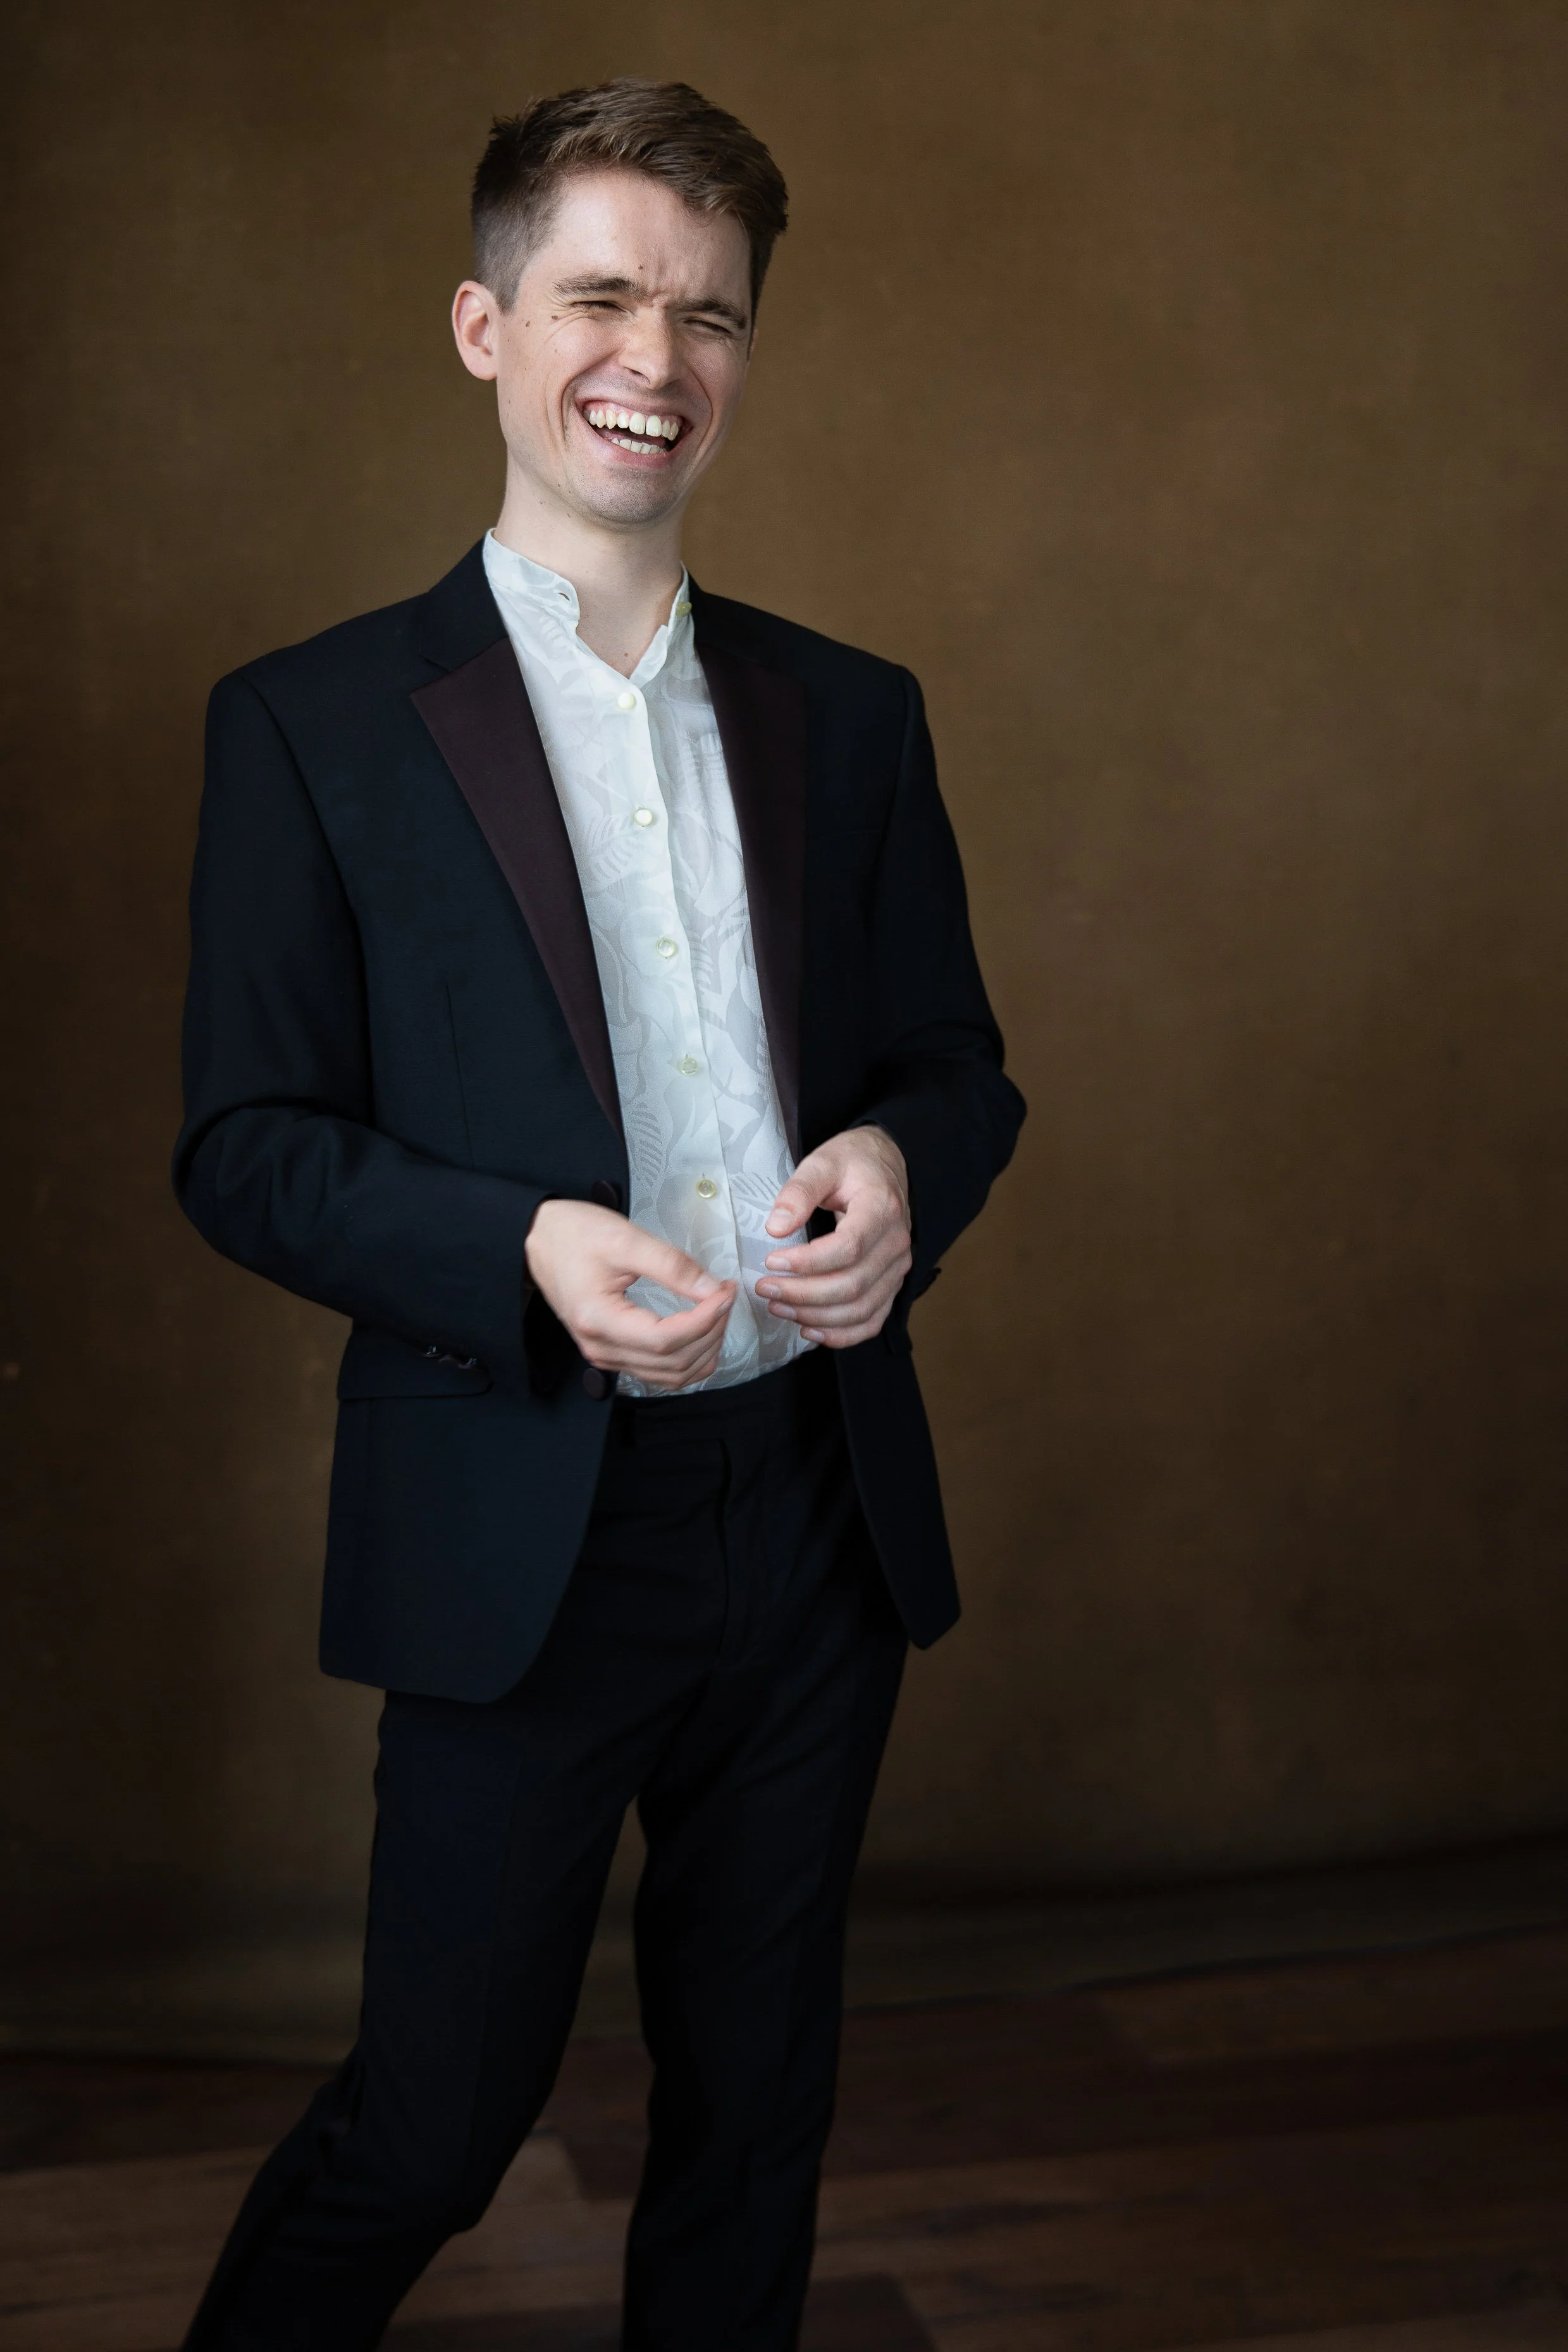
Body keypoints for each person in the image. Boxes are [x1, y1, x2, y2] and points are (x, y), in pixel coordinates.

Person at [174, 77, 1025, 2350]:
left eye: (710, 313)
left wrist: (899, 1172)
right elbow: (241, 1141)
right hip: (517, 1536)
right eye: (602, 295)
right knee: (433, 2125)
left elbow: (960, 1064)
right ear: (483, 325)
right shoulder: (309, 726)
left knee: (758, 2117)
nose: (657, 352)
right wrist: (519, 1245)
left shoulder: (857, 714)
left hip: (816, 1517)